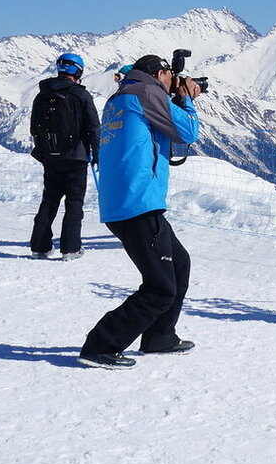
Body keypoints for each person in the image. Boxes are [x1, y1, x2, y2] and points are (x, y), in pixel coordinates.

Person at [79, 54, 202, 369]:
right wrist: (186, 98)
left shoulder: (121, 97)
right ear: (159, 73)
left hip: (125, 201)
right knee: (160, 287)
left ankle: (161, 336)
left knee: (179, 265)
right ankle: (101, 345)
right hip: (139, 203)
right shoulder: (147, 93)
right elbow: (187, 132)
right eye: (168, 76)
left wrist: (172, 95)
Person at [29, 53, 101, 261]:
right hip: (76, 156)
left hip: (51, 156)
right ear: (78, 71)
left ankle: (39, 246)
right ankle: (70, 248)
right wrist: (97, 154)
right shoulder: (80, 95)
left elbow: (35, 127)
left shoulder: (42, 94)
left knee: (49, 200)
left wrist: (44, 151)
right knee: (74, 202)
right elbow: (93, 127)